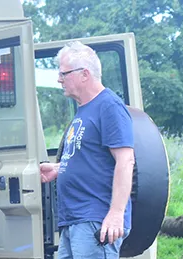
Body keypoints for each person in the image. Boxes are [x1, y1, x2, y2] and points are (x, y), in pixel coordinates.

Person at [38, 41, 135, 259]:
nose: (58, 79)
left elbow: (126, 161)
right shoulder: (85, 110)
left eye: (64, 73)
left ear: (84, 74)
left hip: (96, 219)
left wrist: (116, 214)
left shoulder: (109, 106)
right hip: (74, 219)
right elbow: (93, 158)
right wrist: (59, 168)